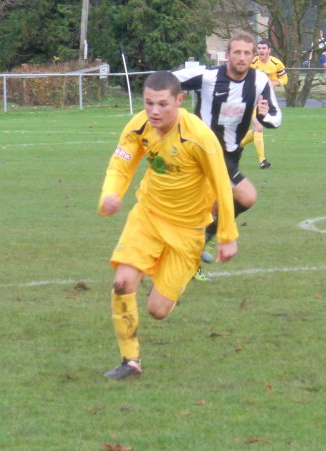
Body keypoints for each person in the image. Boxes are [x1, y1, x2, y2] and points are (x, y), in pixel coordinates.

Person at [98, 71, 239, 379]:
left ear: (179, 100)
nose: (154, 111)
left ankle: (175, 277)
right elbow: (121, 162)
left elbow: (222, 185)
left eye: (162, 104)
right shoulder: (139, 126)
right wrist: (110, 195)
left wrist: (227, 235)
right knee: (122, 283)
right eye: (149, 103)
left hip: (188, 231)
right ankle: (130, 361)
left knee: (157, 310)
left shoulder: (199, 137)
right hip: (147, 216)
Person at [173, 32, 282, 275]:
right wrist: (168, 105)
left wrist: (263, 116)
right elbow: (166, 80)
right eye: (237, 52)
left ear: (253, 56)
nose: (241, 57)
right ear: (227, 55)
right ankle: (186, 253)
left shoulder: (260, 81)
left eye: (246, 53)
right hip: (203, 152)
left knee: (219, 206)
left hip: (231, 155)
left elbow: (276, 117)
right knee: (245, 196)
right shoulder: (209, 76)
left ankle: (193, 247)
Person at [239, 39, 288, 169]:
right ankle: (262, 160)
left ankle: (239, 144)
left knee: (256, 129)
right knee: (259, 127)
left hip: (267, 101)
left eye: (263, 48)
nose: (261, 50)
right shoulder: (252, 63)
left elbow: (285, 78)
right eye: (259, 48)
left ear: (269, 50)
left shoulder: (276, 63)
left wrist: (274, 83)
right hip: (252, 99)